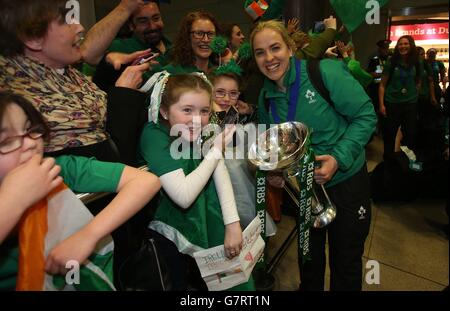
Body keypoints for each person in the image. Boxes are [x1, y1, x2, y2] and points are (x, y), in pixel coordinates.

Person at [250, 20, 376, 291]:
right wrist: (275, 172)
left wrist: (337, 158)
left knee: (346, 262)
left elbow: (365, 117)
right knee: (309, 262)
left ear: (291, 47)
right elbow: (273, 147)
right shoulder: (266, 97)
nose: (269, 58)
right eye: (260, 52)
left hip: (346, 182)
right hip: (304, 192)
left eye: (275, 48)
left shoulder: (325, 72)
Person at [0, 91, 160, 290]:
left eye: (31, 129)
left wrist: (88, 236)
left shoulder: (58, 168)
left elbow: (146, 181)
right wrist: (15, 199)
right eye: (6, 142)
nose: (31, 143)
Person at [139, 73, 255, 290]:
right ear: (164, 111)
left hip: (201, 219)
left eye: (204, 111)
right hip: (167, 231)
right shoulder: (154, 136)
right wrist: (216, 150)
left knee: (219, 281)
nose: (197, 119)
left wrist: (233, 223)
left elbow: (219, 170)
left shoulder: (196, 129)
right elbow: (183, 196)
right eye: (187, 110)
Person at [0, 0, 149, 162]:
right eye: (66, 21)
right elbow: (110, 158)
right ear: (34, 38)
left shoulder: (59, 72)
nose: (80, 28)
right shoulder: (22, 107)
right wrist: (124, 94)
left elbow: (92, 109)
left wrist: (107, 69)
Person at [93, 0, 172, 91]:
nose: (152, 26)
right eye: (143, 21)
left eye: (156, 18)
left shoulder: (175, 47)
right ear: (131, 25)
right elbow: (89, 54)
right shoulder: (119, 47)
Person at [378, 35, 422, 161]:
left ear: (411, 45)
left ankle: (407, 160)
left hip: (410, 103)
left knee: (410, 134)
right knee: (389, 134)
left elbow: (418, 81)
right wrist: (381, 105)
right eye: (400, 44)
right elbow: (382, 85)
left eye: (406, 44)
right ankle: (388, 161)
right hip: (392, 103)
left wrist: (414, 95)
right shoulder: (391, 62)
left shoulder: (417, 62)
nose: (403, 46)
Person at [367, 39, 391, 114]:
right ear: (379, 49)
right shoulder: (374, 60)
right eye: (384, 48)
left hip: (388, 89)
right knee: (378, 111)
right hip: (376, 89)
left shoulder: (391, 60)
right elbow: (370, 73)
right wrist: (384, 74)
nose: (386, 50)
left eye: (387, 48)